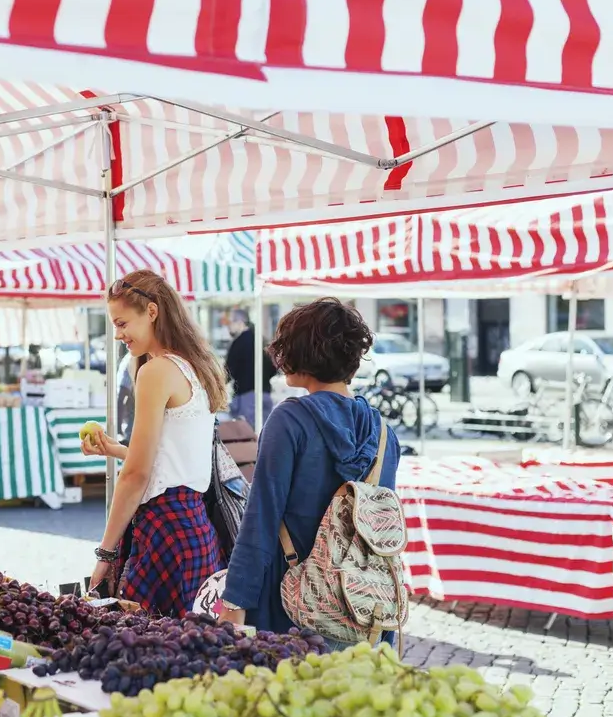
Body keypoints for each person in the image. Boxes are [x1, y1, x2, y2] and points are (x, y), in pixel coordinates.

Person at [217, 298, 401, 641]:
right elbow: (378, 532)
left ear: (302, 354)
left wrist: (235, 599)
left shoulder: (289, 421)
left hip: (291, 606)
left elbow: (261, 517)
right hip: (362, 610)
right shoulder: (384, 434)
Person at [82, 270, 229, 617]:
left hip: (164, 533)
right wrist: (115, 449)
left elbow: (136, 475)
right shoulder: (197, 364)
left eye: (122, 323)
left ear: (151, 311)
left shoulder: (155, 371)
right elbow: (174, 454)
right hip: (196, 530)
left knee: (139, 652)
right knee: (191, 657)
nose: (118, 335)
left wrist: (104, 555)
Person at [225, 308, 276, 424]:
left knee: (249, 436)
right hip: (266, 394)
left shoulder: (238, 343)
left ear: (240, 322)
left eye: (231, 322)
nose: (229, 327)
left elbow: (228, 371)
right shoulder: (261, 340)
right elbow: (273, 367)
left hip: (247, 396)